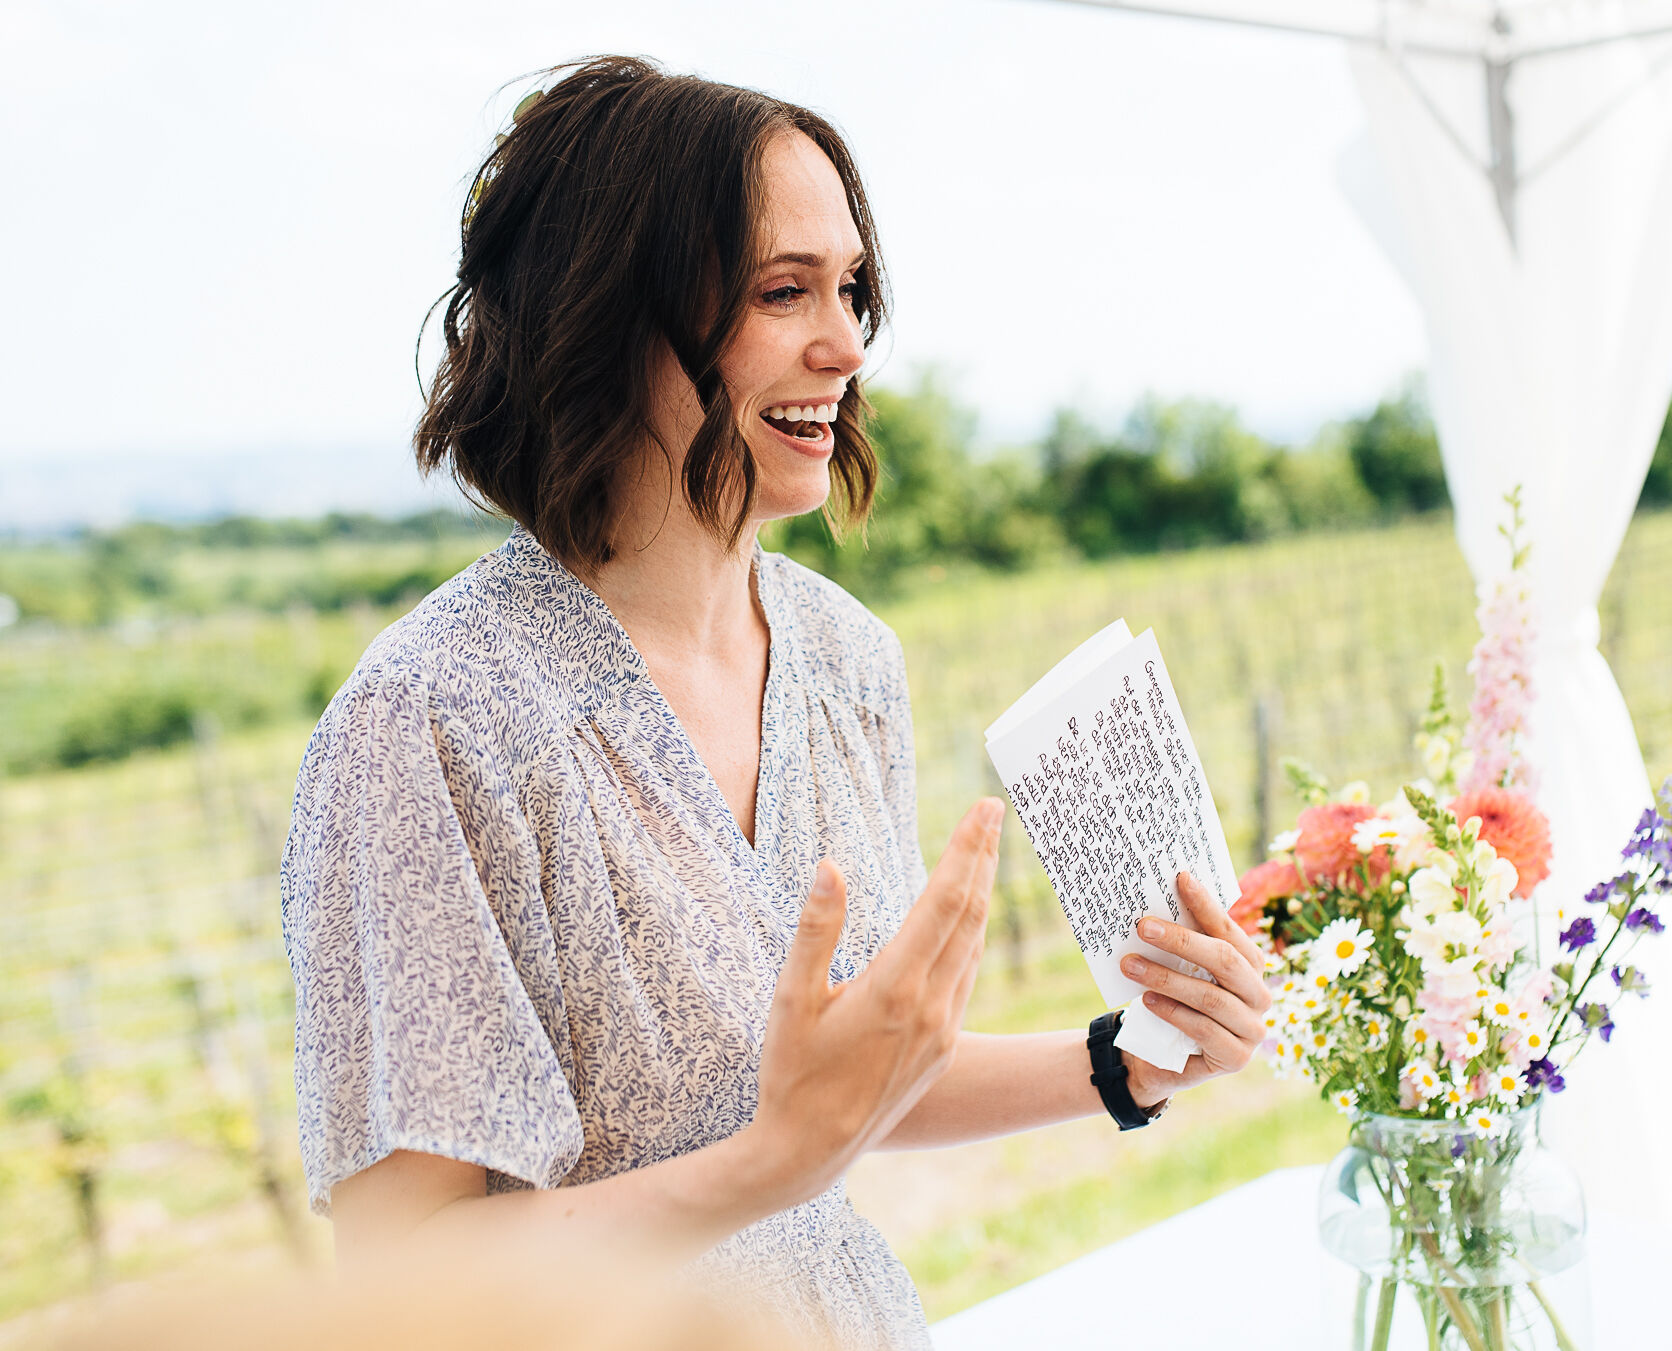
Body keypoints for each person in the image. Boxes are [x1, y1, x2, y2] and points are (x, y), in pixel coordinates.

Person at [280, 55, 1269, 1350]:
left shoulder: (842, 656)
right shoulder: (435, 718)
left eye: (852, 289)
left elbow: (856, 1086)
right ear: (608, 312)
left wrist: (1126, 1061)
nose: (848, 344)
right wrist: (769, 1162)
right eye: (781, 291)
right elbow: (406, 1281)